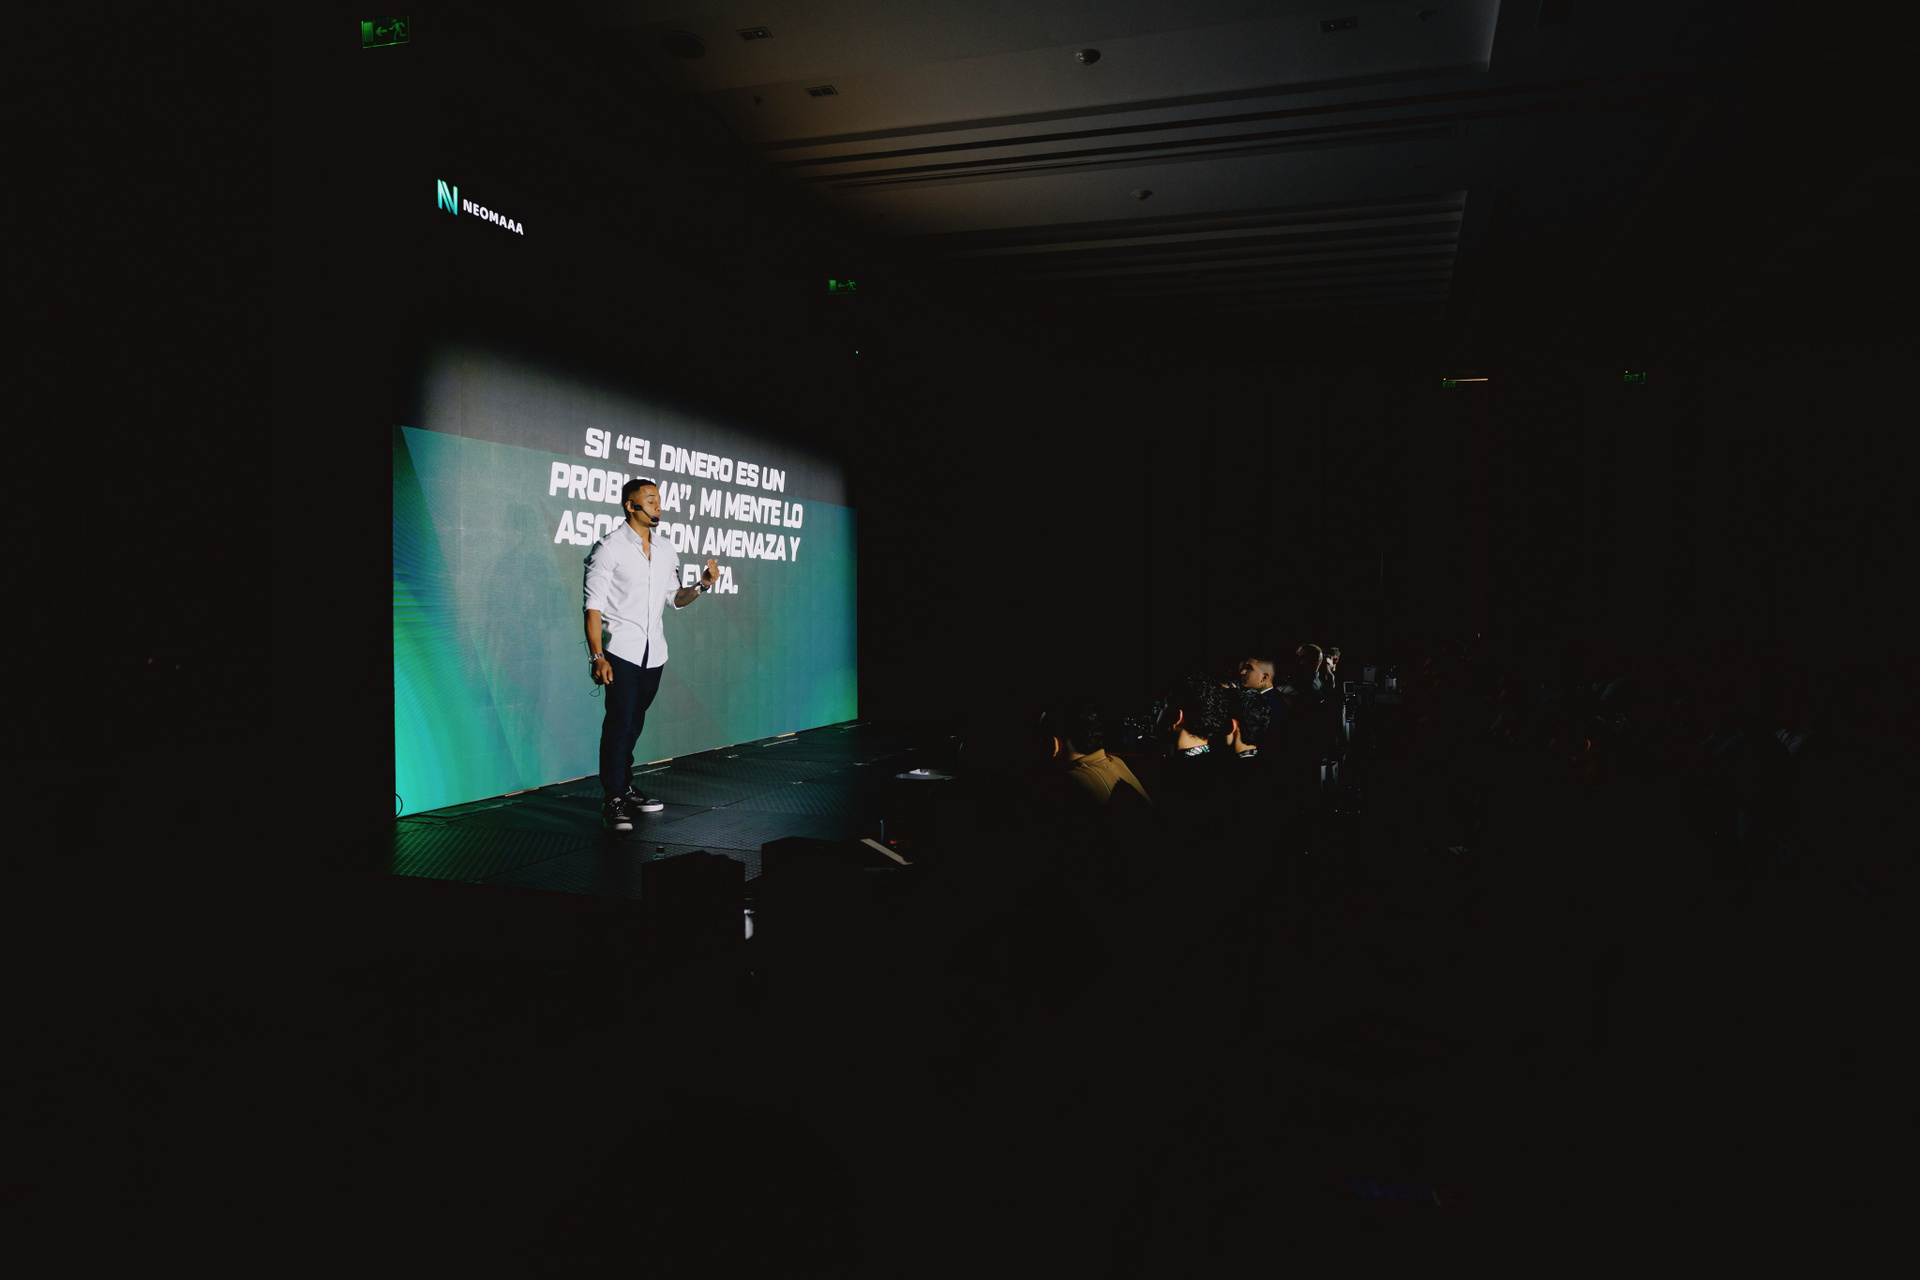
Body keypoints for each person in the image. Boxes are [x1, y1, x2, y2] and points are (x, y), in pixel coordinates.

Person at [584, 477, 722, 831]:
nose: (658, 506)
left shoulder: (666, 549)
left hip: (654, 653)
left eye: (659, 500)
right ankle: (613, 798)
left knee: (634, 724)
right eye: (650, 500)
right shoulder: (608, 549)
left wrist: (702, 585)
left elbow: (675, 599)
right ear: (630, 506)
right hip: (620, 651)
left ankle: (624, 786)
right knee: (618, 724)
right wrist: (597, 657)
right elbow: (593, 608)